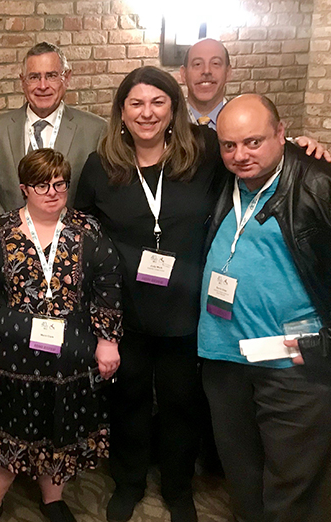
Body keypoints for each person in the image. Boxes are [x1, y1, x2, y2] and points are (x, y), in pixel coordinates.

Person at [75, 66, 228, 522]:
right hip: (125, 311)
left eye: (158, 102)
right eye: (136, 103)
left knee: (183, 402)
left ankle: (179, 490)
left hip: (186, 310)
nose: (147, 113)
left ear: (173, 109)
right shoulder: (101, 164)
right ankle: (129, 482)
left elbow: (252, 166)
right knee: (128, 399)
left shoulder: (203, 154)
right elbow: (83, 231)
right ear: (121, 112)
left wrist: (300, 149)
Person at [0, 149, 123, 522]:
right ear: (23, 188)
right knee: (3, 425)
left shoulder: (88, 230)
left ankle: (53, 499)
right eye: (41, 185)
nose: (52, 192)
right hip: (8, 355)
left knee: (58, 425)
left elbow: (108, 285)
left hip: (70, 357)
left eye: (60, 183)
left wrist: (108, 340)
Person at [199, 94, 331, 522]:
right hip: (225, 357)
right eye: (229, 145)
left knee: (293, 483)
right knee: (242, 472)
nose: (240, 155)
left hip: (294, 364)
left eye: (253, 142)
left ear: (282, 135)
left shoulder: (320, 184)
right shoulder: (225, 179)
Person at [0, 42, 106, 216]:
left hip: (72, 239)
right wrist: (7, 227)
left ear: (66, 78)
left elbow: (101, 196)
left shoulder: (96, 131)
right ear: (22, 81)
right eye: (34, 77)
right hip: (11, 239)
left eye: (52, 76)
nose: (43, 85)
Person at [180, 38, 231, 129]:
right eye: (197, 64)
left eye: (215, 63)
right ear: (184, 74)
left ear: (228, 73)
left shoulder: (245, 122)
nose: (206, 71)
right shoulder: (168, 122)